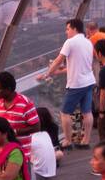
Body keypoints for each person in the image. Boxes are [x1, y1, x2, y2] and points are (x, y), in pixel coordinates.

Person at [41, 18, 98, 148]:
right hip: (89, 81)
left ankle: (67, 140)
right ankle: (86, 141)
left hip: (76, 84)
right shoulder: (88, 42)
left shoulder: (70, 42)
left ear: (74, 28)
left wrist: (47, 74)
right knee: (87, 112)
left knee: (65, 112)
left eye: (67, 29)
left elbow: (57, 61)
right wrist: (59, 71)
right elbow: (80, 64)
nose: (66, 32)